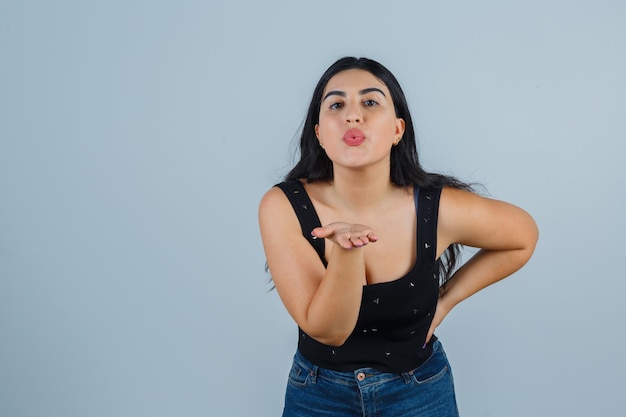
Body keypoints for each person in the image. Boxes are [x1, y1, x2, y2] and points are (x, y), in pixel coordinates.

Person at [258, 57, 538, 417]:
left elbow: (522, 237)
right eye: (337, 104)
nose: (352, 115)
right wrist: (347, 253)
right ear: (319, 133)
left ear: (397, 129)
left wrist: (447, 299)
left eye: (370, 102)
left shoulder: (436, 208)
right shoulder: (283, 205)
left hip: (420, 393)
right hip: (318, 396)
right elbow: (328, 331)